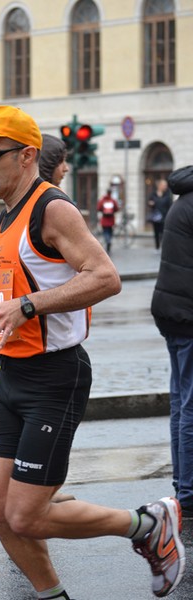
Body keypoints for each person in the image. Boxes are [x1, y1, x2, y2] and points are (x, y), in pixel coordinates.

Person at [0, 105, 186, 599]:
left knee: (26, 514)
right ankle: (53, 595)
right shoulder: (5, 217)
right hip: (11, 376)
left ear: (26, 156)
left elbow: (105, 277)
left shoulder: (52, 208)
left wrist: (26, 307)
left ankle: (147, 524)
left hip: (55, 377)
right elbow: (15, 291)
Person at [151, 165, 193, 521]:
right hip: (188, 314)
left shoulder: (184, 197)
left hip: (172, 311)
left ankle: (184, 486)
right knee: (190, 404)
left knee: (182, 401)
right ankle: (190, 492)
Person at [148, 178, 173, 251]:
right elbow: (149, 202)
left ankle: (163, 247)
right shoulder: (153, 194)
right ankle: (157, 247)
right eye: (164, 185)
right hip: (156, 217)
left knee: (163, 233)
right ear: (159, 185)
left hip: (164, 216)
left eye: (166, 185)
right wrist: (150, 204)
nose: (165, 186)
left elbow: (170, 205)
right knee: (156, 232)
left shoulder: (168, 194)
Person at [97, 188, 119, 253]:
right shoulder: (113, 200)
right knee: (110, 232)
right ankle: (109, 241)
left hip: (104, 219)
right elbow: (116, 208)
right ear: (111, 193)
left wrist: (103, 211)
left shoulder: (102, 200)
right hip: (111, 219)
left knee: (105, 232)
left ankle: (107, 240)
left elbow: (98, 208)